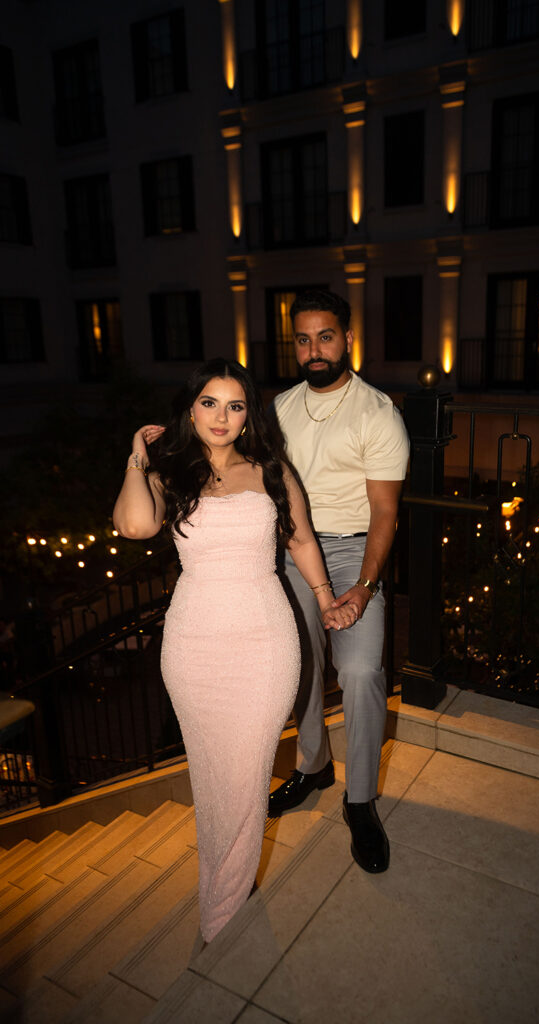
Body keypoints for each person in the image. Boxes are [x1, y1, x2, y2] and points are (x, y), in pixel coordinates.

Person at [113, 358, 354, 944]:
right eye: (210, 403)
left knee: (246, 772)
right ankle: (228, 884)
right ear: (190, 409)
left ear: (250, 414)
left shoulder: (272, 469)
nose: (222, 417)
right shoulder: (168, 473)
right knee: (212, 774)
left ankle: (223, 901)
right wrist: (137, 459)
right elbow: (136, 527)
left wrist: (325, 600)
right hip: (194, 643)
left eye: (236, 405)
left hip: (264, 640)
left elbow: (300, 539)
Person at [269, 290, 410, 874]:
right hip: (291, 549)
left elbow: (384, 513)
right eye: (303, 339)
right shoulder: (277, 408)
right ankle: (312, 766)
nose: (313, 350)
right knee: (296, 667)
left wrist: (366, 587)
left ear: (347, 339)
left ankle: (360, 801)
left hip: (355, 552)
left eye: (325, 336)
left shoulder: (377, 412)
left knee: (359, 671)